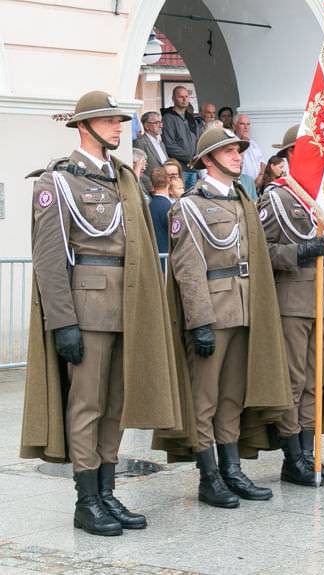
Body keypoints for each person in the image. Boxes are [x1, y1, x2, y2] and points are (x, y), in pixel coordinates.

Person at [22, 90, 182, 536]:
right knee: (87, 405)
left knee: (114, 404)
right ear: (83, 126)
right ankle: (86, 499)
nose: (118, 127)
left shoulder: (123, 179)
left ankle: (108, 492)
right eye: (109, 120)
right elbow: (50, 261)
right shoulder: (57, 184)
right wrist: (64, 322)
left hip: (126, 307)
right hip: (86, 309)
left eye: (119, 120)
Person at [167, 127, 292, 508]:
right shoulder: (189, 206)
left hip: (244, 308)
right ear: (207, 160)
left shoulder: (242, 201)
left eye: (238, 149)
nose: (238, 155)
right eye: (228, 151)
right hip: (213, 312)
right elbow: (188, 270)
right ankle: (209, 477)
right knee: (204, 399)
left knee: (232, 397)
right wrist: (200, 321)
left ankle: (232, 470)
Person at [257, 168, 324, 486]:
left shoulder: (323, 198)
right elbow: (260, 248)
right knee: (294, 383)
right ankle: (292, 458)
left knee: (314, 383)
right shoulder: (277, 198)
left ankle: (310, 455)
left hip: (322, 299)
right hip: (291, 302)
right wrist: (299, 251)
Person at [161, 85, 203, 190]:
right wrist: (190, 158)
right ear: (173, 98)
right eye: (181, 97)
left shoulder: (191, 118)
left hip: (194, 168)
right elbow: (169, 145)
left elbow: (199, 140)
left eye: (186, 96)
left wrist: (197, 157)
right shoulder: (168, 118)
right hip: (180, 169)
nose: (184, 99)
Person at [133, 111, 168, 187]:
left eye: (161, 122)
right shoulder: (140, 142)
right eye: (156, 123)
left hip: (164, 184)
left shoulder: (161, 144)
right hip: (151, 186)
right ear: (146, 126)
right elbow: (140, 169)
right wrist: (149, 186)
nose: (161, 125)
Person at [147, 166, 173, 257]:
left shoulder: (149, 205)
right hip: (165, 256)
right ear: (169, 181)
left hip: (152, 256)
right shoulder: (169, 207)